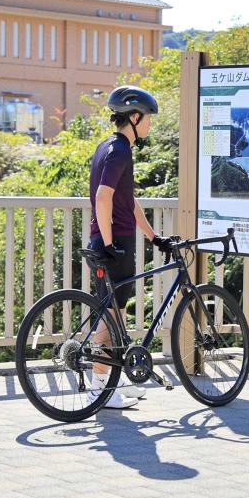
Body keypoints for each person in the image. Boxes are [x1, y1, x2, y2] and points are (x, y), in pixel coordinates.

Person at [86, 85, 171, 408]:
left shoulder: (109, 146)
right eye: (147, 118)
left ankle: (112, 379)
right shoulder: (120, 150)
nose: (149, 123)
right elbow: (103, 197)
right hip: (114, 242)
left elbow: (127, 201)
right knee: (110, 317)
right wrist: (108, 243)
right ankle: (99, 390)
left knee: (117, 315)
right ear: (134, 117)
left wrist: (152, 236)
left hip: (117, 239)